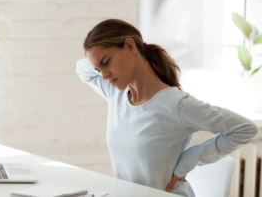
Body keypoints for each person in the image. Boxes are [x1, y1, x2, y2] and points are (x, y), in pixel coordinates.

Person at [76, 19, 259, 197]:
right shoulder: (115, 92)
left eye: (106, 62)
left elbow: (244, 129)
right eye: (99, 70)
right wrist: (100, 64)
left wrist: (188, 160)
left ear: (130, 46)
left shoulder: (176, 105)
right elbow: (81, 68)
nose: (104, 75)